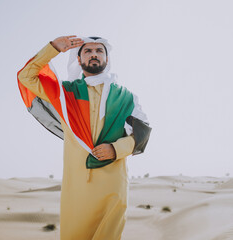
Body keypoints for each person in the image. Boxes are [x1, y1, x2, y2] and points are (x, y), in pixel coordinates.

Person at [17, 35, 151, 240]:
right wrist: (53, 48)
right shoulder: (65, 94)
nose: (94, 55)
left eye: (99, 51)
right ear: (78, 60)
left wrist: (116, 149)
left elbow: (142, 134)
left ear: (107, 58)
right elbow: (26, 76)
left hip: (112, 185)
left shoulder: (126, 97)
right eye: (87, 51)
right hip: (77, 186)